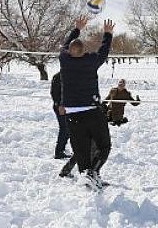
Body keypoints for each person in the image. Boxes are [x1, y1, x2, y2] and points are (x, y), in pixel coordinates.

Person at [58, 16, 114, 189]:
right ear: (83, 52)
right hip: (92, 112)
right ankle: (93, 173)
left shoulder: (64, 60)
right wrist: (107, 34)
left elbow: (64, 46)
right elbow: (103, 51)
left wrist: (77, 29)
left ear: (69, 52)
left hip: (73, 114)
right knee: (104, 146)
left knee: (81, 151)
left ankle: (88, 178)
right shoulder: (91, 61)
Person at [50, 72, 71, 160]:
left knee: (68, 129)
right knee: (64, 128)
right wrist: (59, 105)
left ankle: (61, 149)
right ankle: (59, 151)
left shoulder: (70, 75)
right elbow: (54, 93)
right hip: (60, 107)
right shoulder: (58, 77)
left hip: (68, 107)